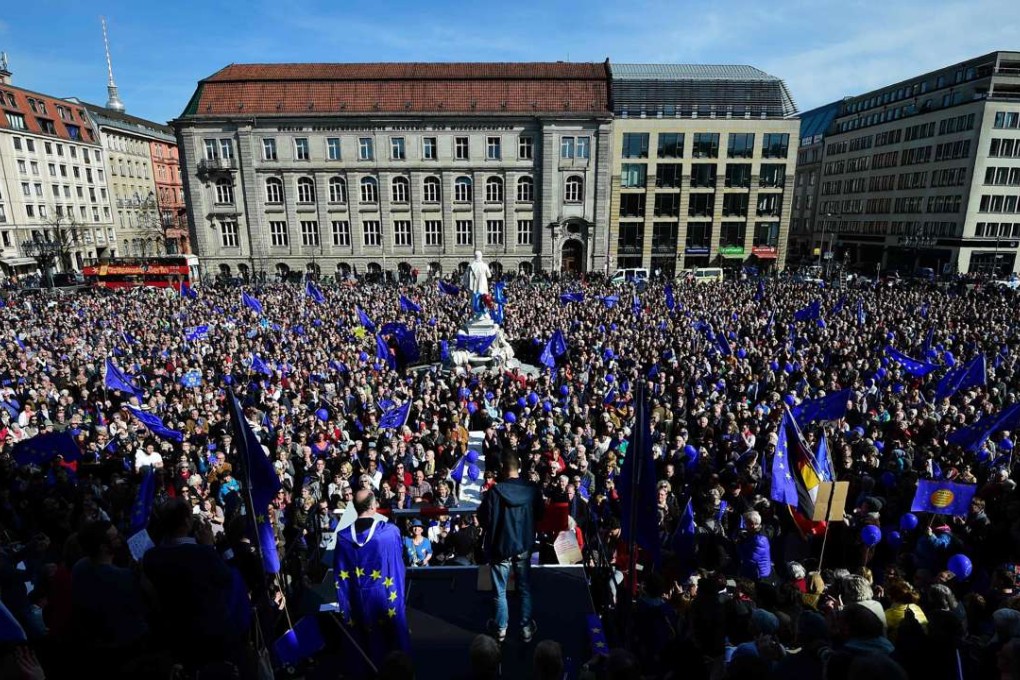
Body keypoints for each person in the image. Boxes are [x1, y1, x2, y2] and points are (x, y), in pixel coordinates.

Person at [334, 489, 410, 675]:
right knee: (391, 642)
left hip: (358, 602)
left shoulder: (343, 538)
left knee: (366, 642)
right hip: (386, 598)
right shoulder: (390, 533)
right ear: (373, 506)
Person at [478, 453, 544, 643]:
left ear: (502, 468)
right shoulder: (532, 490)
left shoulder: (494, 492)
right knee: (524, 588)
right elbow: (540, 514)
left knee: (500, 591)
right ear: (519, 467)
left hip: (500, 548)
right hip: (523, 546)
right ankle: (525, 628)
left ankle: (500, 629)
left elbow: (484, 519)